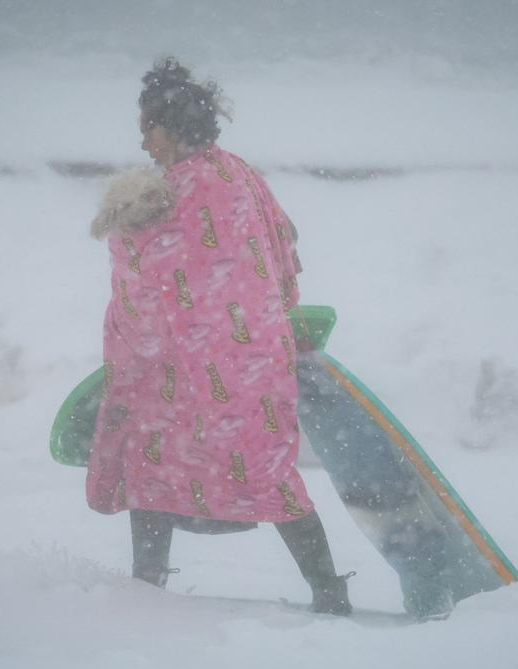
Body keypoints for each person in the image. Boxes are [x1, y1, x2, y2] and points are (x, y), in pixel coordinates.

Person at [86, 57, 352, 615]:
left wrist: (122, 222)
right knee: (263, 467)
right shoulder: (237, 173)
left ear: (173, 126)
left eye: (148, 130)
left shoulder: (188, 188)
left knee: (153, 460)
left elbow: (153, 268)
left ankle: (147, 588)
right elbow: (281, 247)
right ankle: (329, 592)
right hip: (248, 358)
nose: (143, 143)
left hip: (201, 366)